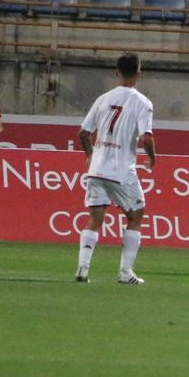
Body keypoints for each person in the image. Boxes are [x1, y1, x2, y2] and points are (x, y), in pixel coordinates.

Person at [74, 53, 155, 285]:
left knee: (95, 217)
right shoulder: (142, 103)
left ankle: (83, 268)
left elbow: (83, 132)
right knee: (136, 215)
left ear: (116, 72)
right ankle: (125, 272)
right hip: (121, 169)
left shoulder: (103, 99)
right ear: (139, 73)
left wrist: (90, 155)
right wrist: (152, 158)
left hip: (97, 168)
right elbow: (147, 138)